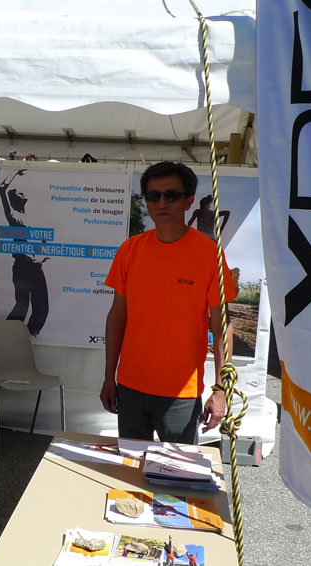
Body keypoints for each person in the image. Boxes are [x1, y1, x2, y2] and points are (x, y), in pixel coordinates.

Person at [100, 161, 235, 443]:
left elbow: (222, 327)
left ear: (188, 201)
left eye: (171, 195)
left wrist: (221, 390)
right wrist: (108, 377)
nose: (162, 203)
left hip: (181, 394)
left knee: (178, 479)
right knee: (130, 473)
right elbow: (116, 317)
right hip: (130, 386)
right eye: (154, 195)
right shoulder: (130, 250)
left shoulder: (210, 254)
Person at [0, 169, 49, 337]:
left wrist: (41, 256)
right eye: (19, 192)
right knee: (22, 306)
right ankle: (6, 336)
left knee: (42, 308)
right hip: (22, 267)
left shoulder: (31, 217)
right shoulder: (13, 216)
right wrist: (15, 171)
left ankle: (28, 337)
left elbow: (43, 240)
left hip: (36, 268)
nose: (23, 194)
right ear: (15, 199)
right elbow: (2, 188)